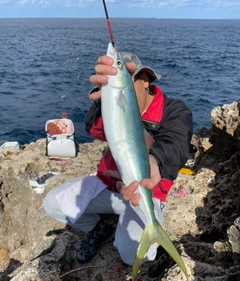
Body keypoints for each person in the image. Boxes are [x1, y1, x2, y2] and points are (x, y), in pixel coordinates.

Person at [43, 51, 193, 267]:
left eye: (129, 79)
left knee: (132, 255)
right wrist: (103, 103)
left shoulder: (174, 110)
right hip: (110, 186)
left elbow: (176, 142)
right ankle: (98, 227)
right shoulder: (114, 107)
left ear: (145, 80)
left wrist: (154, 160)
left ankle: (152, 229)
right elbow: (94, 129)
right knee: (52, 203)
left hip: (145, 192)